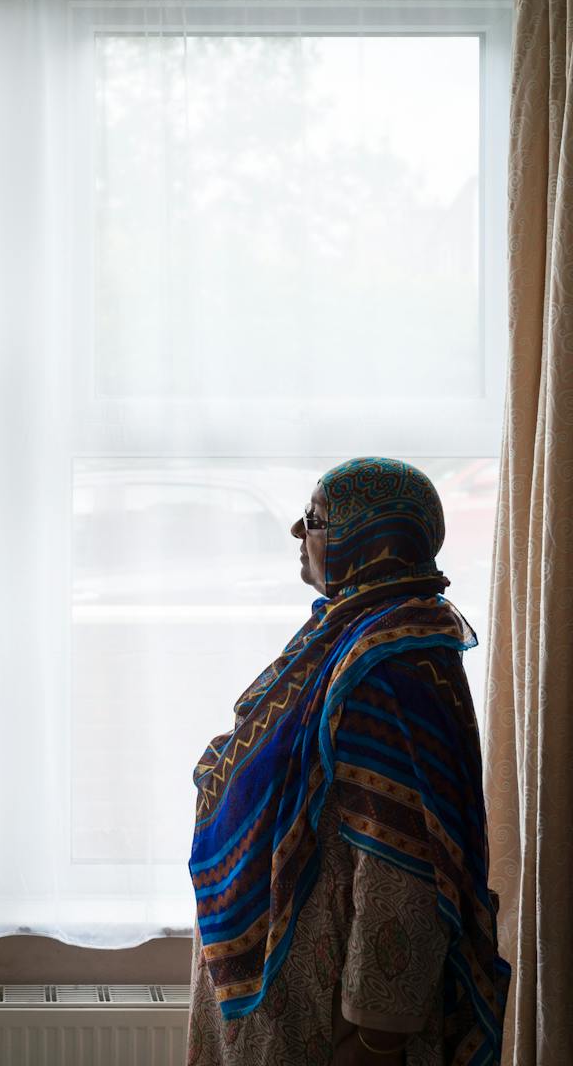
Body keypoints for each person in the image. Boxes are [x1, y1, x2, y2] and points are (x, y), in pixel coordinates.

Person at [186, 457, 510, 1066]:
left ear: (368, 538)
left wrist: (377, 1035)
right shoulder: (350, 635)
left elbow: (404, 863)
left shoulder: (386, 669)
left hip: (326, 1018)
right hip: (294, 991)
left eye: (313, 520)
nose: (296, 533)